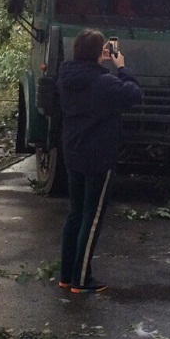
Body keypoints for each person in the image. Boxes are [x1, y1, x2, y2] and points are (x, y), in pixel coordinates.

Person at [56, 29, 143, 294]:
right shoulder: (103, 82)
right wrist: (122, 66)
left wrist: (97, 63)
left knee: (75, 213)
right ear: (98, 53)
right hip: (98, 157)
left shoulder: (65, 75)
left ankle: (66, 274)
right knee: (91, 218)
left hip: (73, 151)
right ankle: (81, 280)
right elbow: (134, 94)